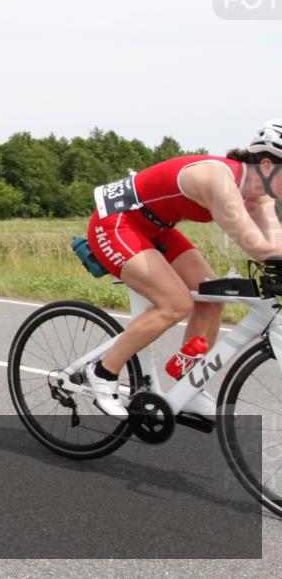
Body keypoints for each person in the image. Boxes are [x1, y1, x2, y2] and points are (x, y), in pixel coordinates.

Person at [85, 118, 282, 419]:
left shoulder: (261, 194)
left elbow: (274, 241)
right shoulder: (218, 180)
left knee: (212, 297)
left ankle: (187, 386)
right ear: (268, 166)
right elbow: (257, 246)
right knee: (176, 303)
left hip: (157, 227)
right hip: (116, 223)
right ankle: (103, 372)